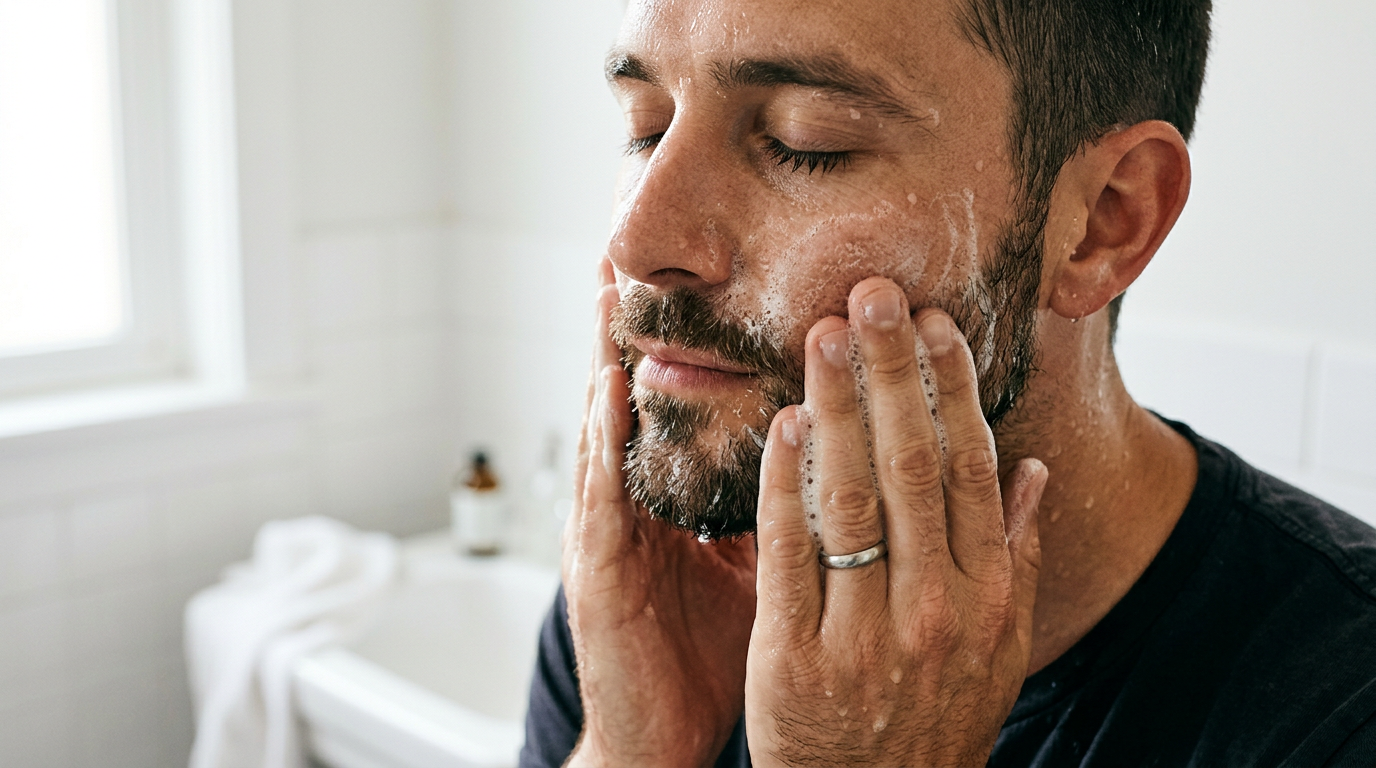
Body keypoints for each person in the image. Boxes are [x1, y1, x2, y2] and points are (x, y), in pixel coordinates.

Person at [520, 0, 1376, 765]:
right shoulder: (657, 598)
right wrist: (638, 752)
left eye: (804, 142)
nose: (637, 239)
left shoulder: (1340, 708)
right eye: (645, 125)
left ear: (1105, 221)